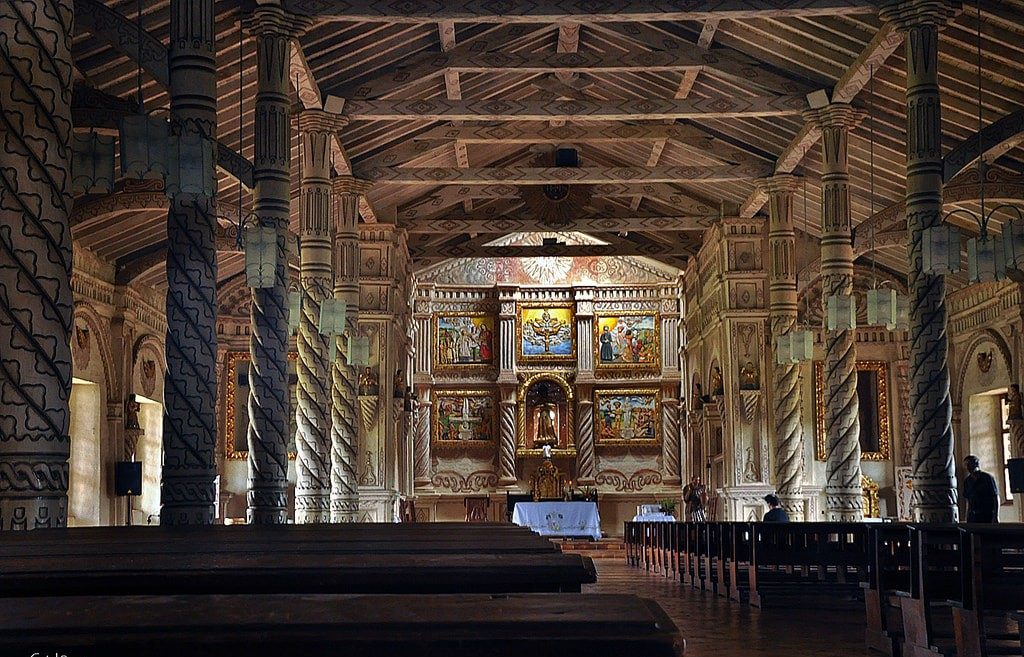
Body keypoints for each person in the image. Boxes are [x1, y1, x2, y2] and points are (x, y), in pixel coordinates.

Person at [963, 454, 1000, 523]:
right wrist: (967, 517)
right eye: (966, 465)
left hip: (987, 515)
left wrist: (996, 515)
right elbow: (968, 501)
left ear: (976, 464)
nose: (968, 467)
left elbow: (995, 497)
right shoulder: (967, 481)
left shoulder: (987, 478)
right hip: (974, 516)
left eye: (969, 464)